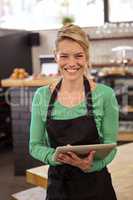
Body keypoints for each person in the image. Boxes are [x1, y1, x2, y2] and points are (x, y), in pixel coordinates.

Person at [29, 24, 119, 200]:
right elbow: (34, 145)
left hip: (97, 188)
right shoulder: (42, 96)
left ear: (86, 58)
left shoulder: (105, 95)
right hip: (59, 189)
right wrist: (56, 157)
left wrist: (90, 166)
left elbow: (111, 146)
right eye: (64, 56)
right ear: (55, 57)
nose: (71, 63)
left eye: (78, 56)